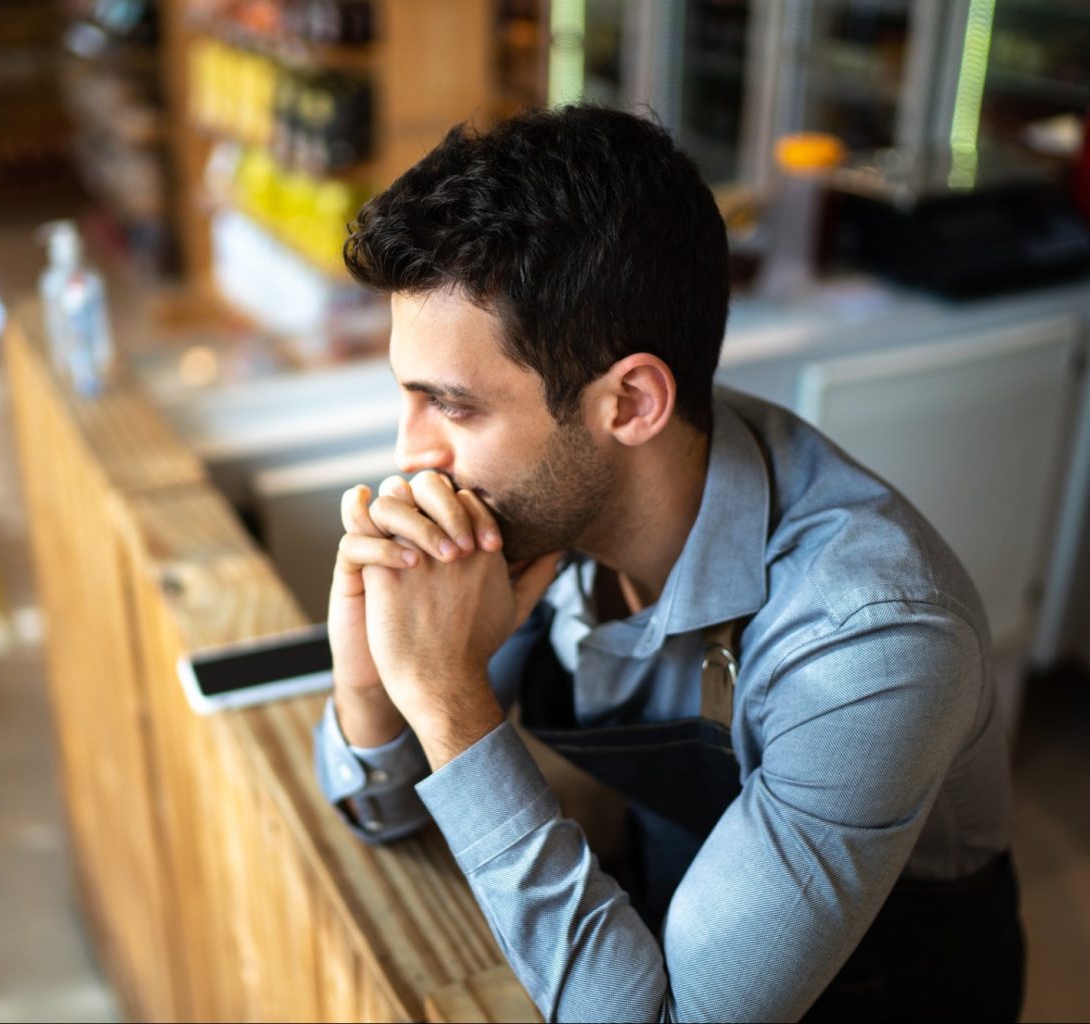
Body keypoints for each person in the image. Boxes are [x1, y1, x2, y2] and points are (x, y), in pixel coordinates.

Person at [313, 106, 1023, 1022]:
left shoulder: (874, 644)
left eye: (452, 408)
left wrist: (450, 702)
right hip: (667, 913)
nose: (410, 455)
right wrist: (371, 684)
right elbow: (382, 816)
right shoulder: (553, 502)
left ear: (633, 401)